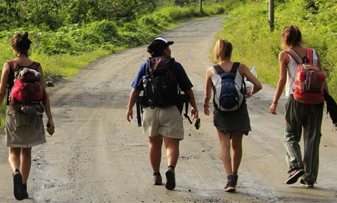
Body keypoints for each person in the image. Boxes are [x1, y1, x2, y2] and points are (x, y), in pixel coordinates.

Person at [126, 37, 198, 190]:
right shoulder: (175, 66)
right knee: (171, 145)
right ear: (165, 50)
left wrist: (129, 108)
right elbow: (187, 89)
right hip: (171, 109)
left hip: (150, 110)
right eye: (168, 47)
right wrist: (194, 107)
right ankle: (170, 168)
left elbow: (135, 90)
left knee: (154, 144)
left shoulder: (145, 67)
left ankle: (156, 175)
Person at [0, 31, 54, 201]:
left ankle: (16, 173)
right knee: (27, 152)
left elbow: (0, 92)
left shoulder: (9, 65)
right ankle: (24, 187)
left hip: (15, 112)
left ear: (14, 47)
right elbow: (44, 95)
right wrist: (50, 118)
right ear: (28, 47)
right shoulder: (36, 66)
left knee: (13, 151)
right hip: (34, 113)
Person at [270, 25, 328, 188]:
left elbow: (282, 80)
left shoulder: (285, 55)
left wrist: (274, 102)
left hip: (295, 99)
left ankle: (295, 166)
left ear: (285, 38)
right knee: (312, 138)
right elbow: (322, 78)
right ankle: (310, 177)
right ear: (300, 37)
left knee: (290, 134)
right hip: (316, 100)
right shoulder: (314, 53)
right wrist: (326, 99)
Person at [203, 39, 262, 192]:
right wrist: (247, 94)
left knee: (224, 144)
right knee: (237, 145)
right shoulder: (240, 67)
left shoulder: (211, 70)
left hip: (221, 111)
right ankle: (235, 175)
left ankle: (229, 179)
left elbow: (207, 95)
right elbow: (258, 85)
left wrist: (205, 106)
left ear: (217, 52)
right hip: (239, 109)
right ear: (230, 51)